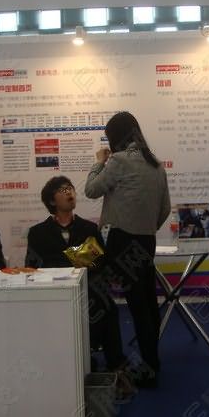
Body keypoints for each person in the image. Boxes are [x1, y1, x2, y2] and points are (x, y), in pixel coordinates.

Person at [85, 112, 171, 388]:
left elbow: (91, 190)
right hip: (146, 241)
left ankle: (134, 365)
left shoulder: (118, 161)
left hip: (121, 241)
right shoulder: (156, 164)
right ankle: (152, 363)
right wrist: (146, 228)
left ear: (115, 137)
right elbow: (165, 209)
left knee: (131, 305)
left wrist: (99, 162)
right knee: (147, 304)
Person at [25, 176, 130, 390]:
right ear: (52, 201)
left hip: (86, 290)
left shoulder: (89, 228)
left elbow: (100, 262)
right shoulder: (38, 232)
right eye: (63, 190)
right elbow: (33, 266)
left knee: (107, 307)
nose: (69, 193)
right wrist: (79, 256)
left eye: (71, 188)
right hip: (52, 293)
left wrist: (63, 259)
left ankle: (117, 367)